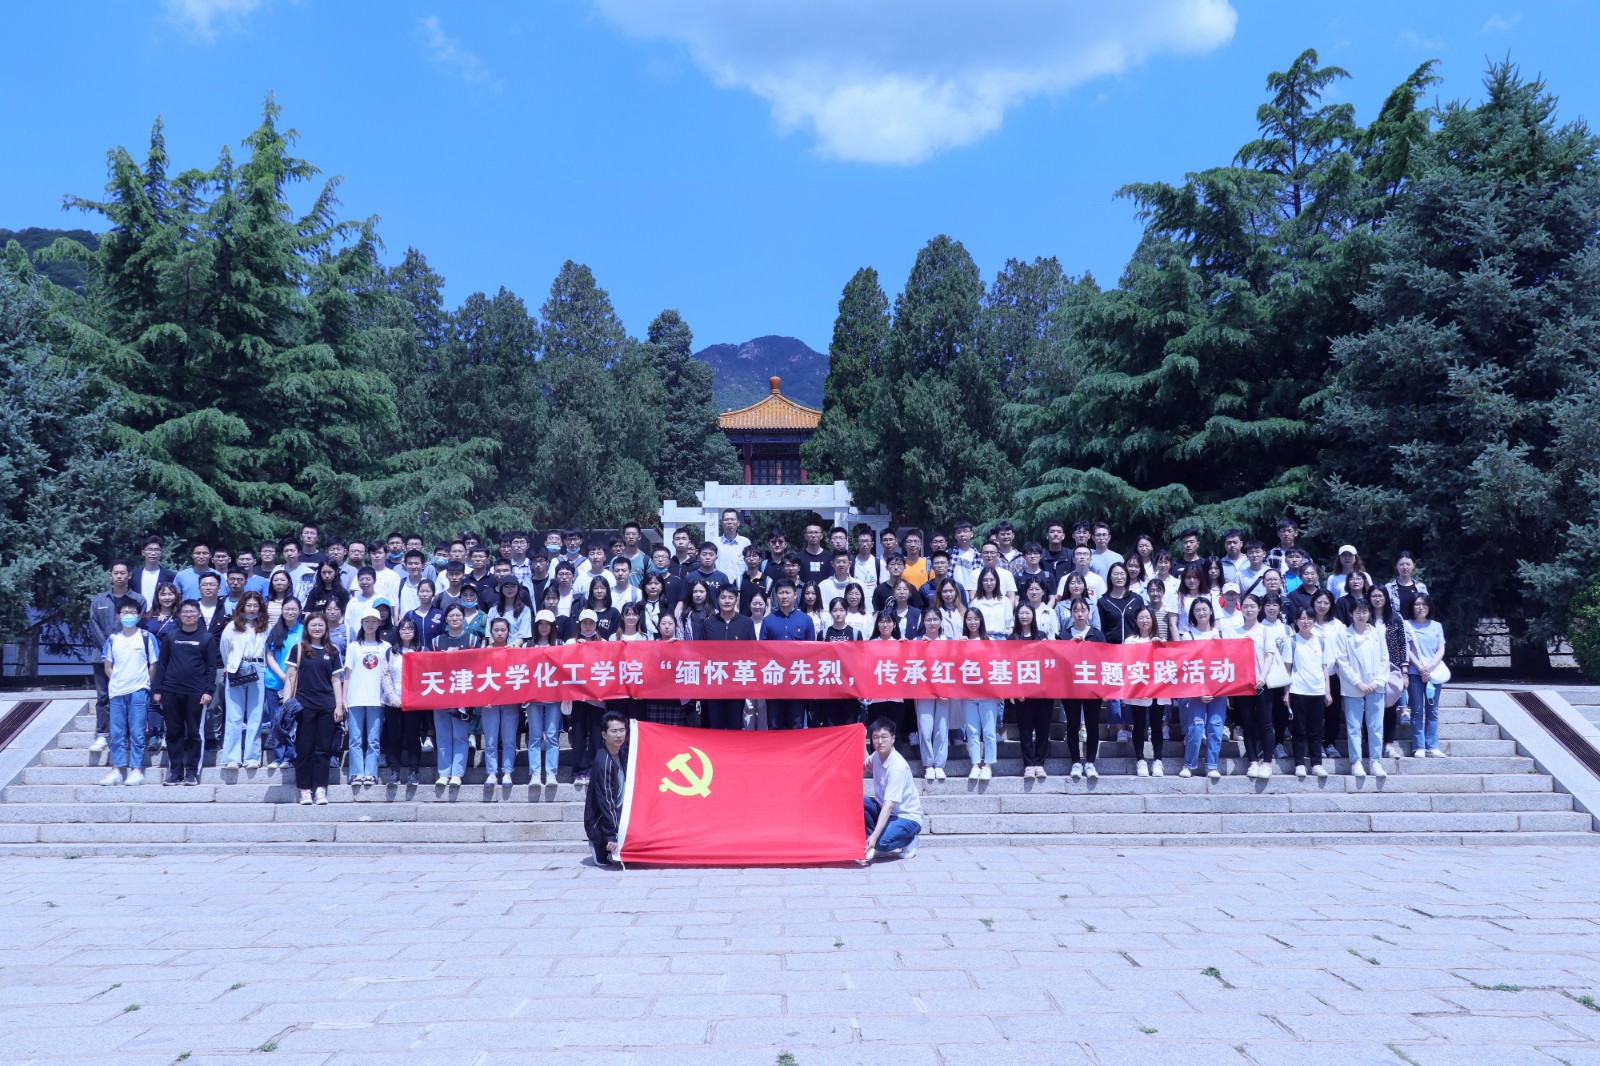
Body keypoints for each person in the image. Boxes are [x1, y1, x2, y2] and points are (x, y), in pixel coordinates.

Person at [152, 600, 218, 786]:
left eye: (192, 612)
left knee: (194, 733)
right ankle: (175, 772)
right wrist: (157, 690)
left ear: (198, 615)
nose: (188, 615)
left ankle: (191, 772)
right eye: (185, 612)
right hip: (171, 691)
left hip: (196, 693)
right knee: (173, 733)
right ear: (179, 615)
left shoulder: (206, 638)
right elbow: (162, 664)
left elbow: (211, 667)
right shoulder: (171, 637)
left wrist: (208, 690)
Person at [282, 613, 345, 805]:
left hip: (326, 706)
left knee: (323, 750)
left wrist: (339, 705)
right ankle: (304, 790)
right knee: (305, 748)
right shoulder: (298, 648)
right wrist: (286, 704)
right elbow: (290, 677)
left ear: (326, 627)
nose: (317, 628)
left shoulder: (332, 650)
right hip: (304, 706)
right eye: (313, 625)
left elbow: (336, 680)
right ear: (306, 627)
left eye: (320, 625)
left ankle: (320, 789)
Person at [87, 561, 148, 756]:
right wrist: (110, 649)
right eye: (116, 573)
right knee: (103, 695)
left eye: (123, 573)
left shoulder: (139, 599)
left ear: (130, 575)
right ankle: (102, 734)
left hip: (132, 657)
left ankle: (129, 735)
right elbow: (94, 626)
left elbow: (141, 625)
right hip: (102, 656)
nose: (119, 576)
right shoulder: (98, 600)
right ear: (110, 575)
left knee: (130, 696)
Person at [100, 600, 158, 786]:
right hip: (117, 691)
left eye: (132, 612)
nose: (128, 615)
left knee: (137, 731)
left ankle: (136, 769)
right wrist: (117, 679)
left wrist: (145, 684)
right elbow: (108, 667)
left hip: (139, 690)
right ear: (118, 616)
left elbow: (153, 664)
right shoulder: (112, 639)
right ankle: (117, 769)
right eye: (124, 612)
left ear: (139, 615)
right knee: (117, 733)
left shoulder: (146, 637)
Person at [218, 591, 270, 774]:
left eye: (255, 606)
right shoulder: (232, 626)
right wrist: (230, 665)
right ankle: (232, 757)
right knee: (234, 716)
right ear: (242, 606)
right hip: (236, 669)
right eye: (248, 605)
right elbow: (225, 649)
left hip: (259, 670)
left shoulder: (265, 627)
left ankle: (252, 757)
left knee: (256, 716)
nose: (252, 609)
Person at [1337, 598, 1389, 779]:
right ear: (1351, 614)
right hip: (1353, 687)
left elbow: (1385, 659)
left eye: (1364, 611)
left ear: (1369, 613)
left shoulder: (1377, 634)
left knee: (1375, 726)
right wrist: (1357, 682)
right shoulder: (1344, 635)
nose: (1361, 615)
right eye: (1357, 612)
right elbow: (1342, 661)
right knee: (1354, 726)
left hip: (1376, 685)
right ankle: (1356, 761)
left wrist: (1378, 681)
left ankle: (1376, 761)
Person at [431, 604, 481, 787]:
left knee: (460, 735)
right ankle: (444, 773)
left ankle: (457, 773)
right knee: (443, 735)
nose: (454, 619)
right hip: (441, 694)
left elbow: (478, 666)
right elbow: (430, 667)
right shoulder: (437, 641)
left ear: (463, 618)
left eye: (458, 615)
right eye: (451, 616)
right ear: (445, 619)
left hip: (462, 693)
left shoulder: (472, 640)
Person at [1178, 598, 1228, 781]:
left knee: (1215, 726)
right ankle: (1189, 764)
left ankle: (1212, 765)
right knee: (1196, 726)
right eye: (1198, 610)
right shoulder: (1187, 635)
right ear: (1193, 614)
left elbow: (1227, 664)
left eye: (1205, 609)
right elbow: (1185, 666)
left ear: (1211, 612)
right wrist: (1200, 689)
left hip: (1219, 689)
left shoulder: (1220, 634)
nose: (1202, 613)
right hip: (1196, 689)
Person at [862, 717, 923, 863]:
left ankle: (909, 840)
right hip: (885, 810)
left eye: (884, 737)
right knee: (858, 800)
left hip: (906, 817)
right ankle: (875, 841)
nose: (879, 741)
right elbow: (865, 764)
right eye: (875, 737)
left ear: (893, 739)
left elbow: (889, 805)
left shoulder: (897, 767)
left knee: (881, 842)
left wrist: (875, 836)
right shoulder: (877, 755)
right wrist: (861, 739)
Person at [343, 608, 392, 787]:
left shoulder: (386, 647)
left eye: (374, 621)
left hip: (377, 698)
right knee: (355, 738)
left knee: (373, 739)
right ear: (361, 623)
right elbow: (347, 675)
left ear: (379, 623)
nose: (370, 625)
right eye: (366, 621)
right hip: (355, 697)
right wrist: (343, 699)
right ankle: (356, 773)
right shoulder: (354, 647)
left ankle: (371, 773)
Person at [1237, 594, 1284, 780]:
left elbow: (1269, 655)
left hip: (1262, 684)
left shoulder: (1265, 630)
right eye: (1246, 606)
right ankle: (1252, 761)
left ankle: (1267, 762)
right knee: (1247, 723)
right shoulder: (1237, 631)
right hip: (1243, 685)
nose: (1249, 610)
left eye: (1252, 606)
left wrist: (1262, 677)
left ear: (1259, 608)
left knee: (1265, 723)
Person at [761, 581, 815, 730]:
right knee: (773, 723)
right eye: (781, 593)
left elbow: (812, 652)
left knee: (796, 723)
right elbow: (762, 652)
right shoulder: (768, 621)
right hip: (774, 679)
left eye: (787, 592)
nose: (784, 596)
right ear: (776, 596)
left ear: (795, 595)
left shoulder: (806, 620)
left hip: (797, 679)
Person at [701, 586, 757, 729]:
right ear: (717, 600)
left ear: (736, 600)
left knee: (735, 724)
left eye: (731, 597)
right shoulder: (708, 624)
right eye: (723, 597)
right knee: (715, 724)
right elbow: (699, 653)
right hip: (714, 681)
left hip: (736, 681)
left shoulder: (746, 623)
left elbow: (753, 652)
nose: (727, 601)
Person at [1060, 598, 1104, 779]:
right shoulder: (1064, 634)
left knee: (1092, 724)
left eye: (1083, 610)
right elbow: (1059, 660)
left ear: (1089, 613)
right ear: (1071, 613)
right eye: (1076, 610)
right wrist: (1070, 644)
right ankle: (1076, 762)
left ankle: (1091, 762)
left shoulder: (1097, 634)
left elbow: (1105, 657)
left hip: (1092, 686)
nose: (1080, 613)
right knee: (1072, 724)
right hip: (1070, 686)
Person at [1286, 607, 1331, 779]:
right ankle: (1299, 763)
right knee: (1299, 730)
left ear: (1314, 621)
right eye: (1302, 618)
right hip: (1298, 690)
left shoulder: (1321, 641)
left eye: (1309, 618)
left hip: (1317, 691)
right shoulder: (1292, 641)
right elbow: (1288, 670)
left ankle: (1316, 763)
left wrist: (1327, 691)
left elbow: (1324, 668)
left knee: (1316, 730)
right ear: (1296, 622)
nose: (1305, 622)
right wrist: (1286, 693)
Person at [1011, 603, 1053, 779]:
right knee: (1025, 729)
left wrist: (1048, 647)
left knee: (1043, 728)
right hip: (1023, 693)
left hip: (1043, 690)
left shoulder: (1041, 636)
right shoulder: (1012, 638)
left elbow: (1050, 663)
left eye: (1028, 613)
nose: (1024, 616)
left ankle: (1040, 763)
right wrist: (1014, 690)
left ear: (1033, 616)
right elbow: (1010, 665)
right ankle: (1028, 764)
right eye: (1021, 613)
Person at [261, 597, 302, 772]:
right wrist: (283, 676)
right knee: (275, 720)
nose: (290, 612)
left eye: (294, 609)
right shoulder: (275, 630)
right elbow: (269, 656)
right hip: (274, 681)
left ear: (299, 611)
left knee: (291, 721)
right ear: (282, 610)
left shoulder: (303, 631)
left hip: (296, 684)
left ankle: (290, 756)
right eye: (287, 608)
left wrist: (292, 679)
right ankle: (278, 757)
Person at [479, 617, 522, 787]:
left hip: (510, 700)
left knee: (509, 739)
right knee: (490, 739)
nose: (499, 633)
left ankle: (507, 772)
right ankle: (491, 772)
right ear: (491, 631)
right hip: (489, 700)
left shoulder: (514, 650)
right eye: (496, 630)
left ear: (508, 632)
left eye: (503, 630)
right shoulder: (484, 652)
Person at [383, 617, 424, 786]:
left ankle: (414, 772)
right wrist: (393, 697)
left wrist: (415, 697)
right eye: (403, 629)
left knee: (414, 737)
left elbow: (425, 676)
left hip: (413, 702)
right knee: (394, 737)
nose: (407, 632)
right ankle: (395, 772)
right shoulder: (391, 651)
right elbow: (385, 675)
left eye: (410, 629)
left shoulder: (421, 650)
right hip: (393, 702)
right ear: (397, 631)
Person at [584, 711, 630, 866]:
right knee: (610, 862)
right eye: (614, 731)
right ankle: (599, 844)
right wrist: (612, 835)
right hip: (603, 820)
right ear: (604, 734)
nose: (619, 735)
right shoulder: (604, 763)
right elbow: (606, 801)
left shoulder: (622, 752)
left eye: (622, 730)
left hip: (621, 813)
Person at [912, 609, 953, 781]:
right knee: (926, 728)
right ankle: (928, 764)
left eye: (935, 619)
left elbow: (954, 666)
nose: (932, 623)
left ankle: (939, 764)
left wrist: (949, 691)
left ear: (941, 621)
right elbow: (910, 663)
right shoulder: (916, 641)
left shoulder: (949, 641)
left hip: (944, 690)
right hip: (923, 691)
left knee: (941, 729)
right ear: (923, 622)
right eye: (928, 619)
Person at [1123, 606, 1164, 777]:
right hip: (1138, 687)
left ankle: (1158, 760)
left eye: (1148, 617)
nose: (1145, 621)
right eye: (1141, 617)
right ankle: (1140, 759)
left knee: (1156, 725)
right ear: (1136, 620)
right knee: (1138, 725)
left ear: (1153, 619)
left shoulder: (1160, 640)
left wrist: (1160, 646)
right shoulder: (1130, 641)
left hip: (1157, 689)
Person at [1405, 594, 1447, 758]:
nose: (1420, 607)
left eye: (1423, 604)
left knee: (1432, 710)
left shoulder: (1436, 626)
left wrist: (1429, 668)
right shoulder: (1407, 625)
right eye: (1417, 604)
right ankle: (1419, 746)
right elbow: (1407, 650)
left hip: (1433, 674)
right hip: (1415, 674)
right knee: (1416, 711)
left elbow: (1441, 649)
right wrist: (1421, 668)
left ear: (1429, 606)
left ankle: (1433, 745)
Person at [961, 607, 1001, 780]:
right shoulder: (960, 641)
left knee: (989, 730)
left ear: (981, 621)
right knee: (972, 731)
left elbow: (997, 664)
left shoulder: (989, 641)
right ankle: (975, 764)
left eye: (976, 619)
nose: (972, 622)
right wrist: (958, 646)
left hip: (987, 693)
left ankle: (989, 764)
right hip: (968, 694)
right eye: (969, 619)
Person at [527, 611, 565, 784]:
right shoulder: (528, 646)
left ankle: (551, 773)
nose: (544, 626)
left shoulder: (560, 644)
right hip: (533, 698)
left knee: (552, 735)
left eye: (547, 623)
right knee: (534, 736)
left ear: (552, 626)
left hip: (554, 697)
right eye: (540, 623)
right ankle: (535, 773)